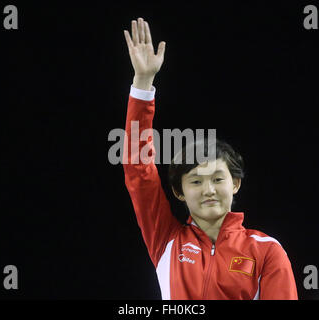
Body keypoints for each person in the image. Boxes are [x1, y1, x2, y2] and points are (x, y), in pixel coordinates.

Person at [122, 17, 298, 300]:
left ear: (236, 184)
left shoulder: (266, 251)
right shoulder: (167, 240)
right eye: (195, 181)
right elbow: (137, 168)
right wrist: (143, 83)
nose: (209, 190)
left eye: (218, 179)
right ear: (179, 191)